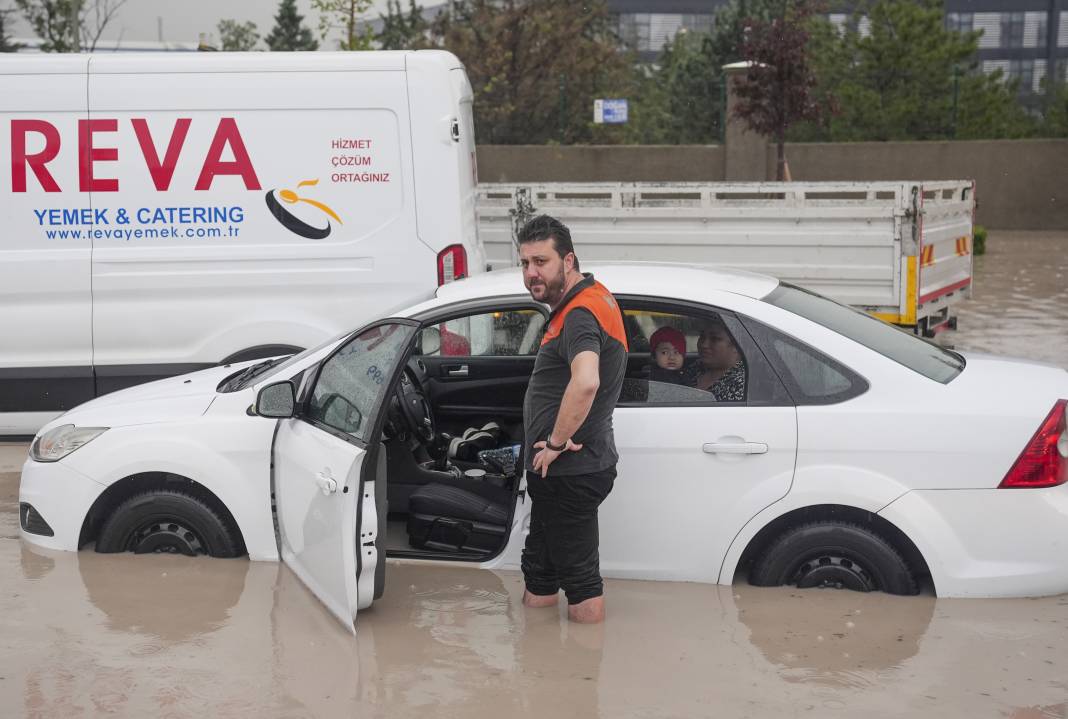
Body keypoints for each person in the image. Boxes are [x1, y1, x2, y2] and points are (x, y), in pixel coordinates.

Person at [518, 214, 628, 624]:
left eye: (541, 262)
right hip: (559, 474)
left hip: (571, 470)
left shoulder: (580, 313)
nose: (532, 273)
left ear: (568, 261)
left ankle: (580, 677)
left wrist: (557, 443)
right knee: (541, 568)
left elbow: (585, 382)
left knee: (580, 582)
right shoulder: (591, 298)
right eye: (525, 263)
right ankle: (539, 665)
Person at [682, 318, 746, 401]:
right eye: (702, 336)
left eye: (714, 339)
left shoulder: (743, 384)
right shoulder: (695, 368)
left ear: (736, 345)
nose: (704, 345)